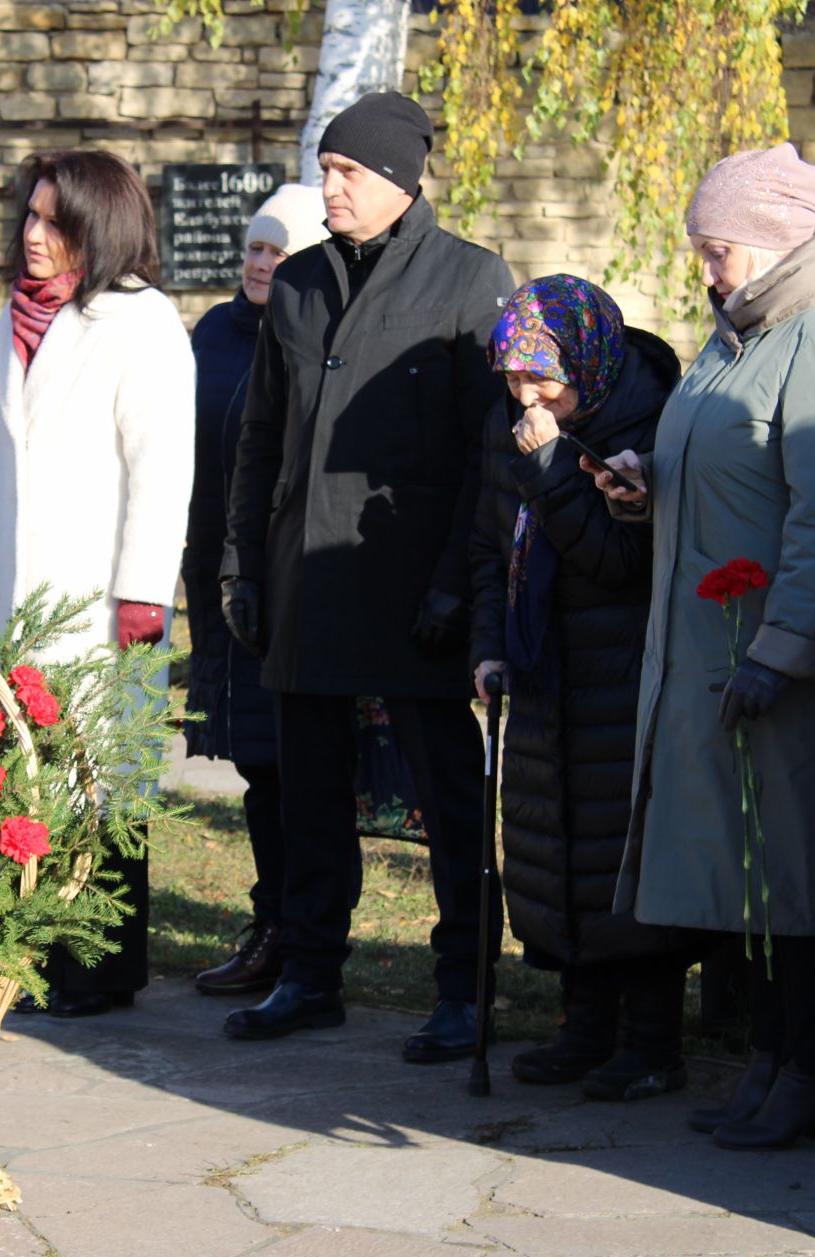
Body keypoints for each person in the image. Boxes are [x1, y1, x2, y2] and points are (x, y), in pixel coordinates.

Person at [590, 144, 815, 1148]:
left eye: (716, 247)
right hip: (730, 649)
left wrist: (785, 648)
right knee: (753, 868)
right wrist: (651, 475)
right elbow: (730, 454)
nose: (705, 269)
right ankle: (771, 1061)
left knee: (799, 873)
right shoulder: (746, 333)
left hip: (791, 664)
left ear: (772, 242)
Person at [218, 92, 516, 1058]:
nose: (327, 187)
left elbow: (490, 453)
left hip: (413, 586)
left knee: (449, 800)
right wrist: (243, 565)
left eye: (346, 172)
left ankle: (463, 986)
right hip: (305, 576)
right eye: (325, 168)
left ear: (396, 178)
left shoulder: (471, 281)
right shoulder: (298, 285)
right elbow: (259, 436)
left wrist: (457, 584)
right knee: (309, 796)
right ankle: (309, 973)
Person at [0, 149, 194, 1017]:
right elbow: (0, 460)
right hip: (19, 584)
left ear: (97, 228)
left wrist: (142, 592)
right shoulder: (13, 318)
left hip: (101, 593)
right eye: (27, 216)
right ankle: (26, 954)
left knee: (102, 781)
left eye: (53, 221)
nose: (32, 235)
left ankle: (99, 968)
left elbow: (162, 467)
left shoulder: (143, 322)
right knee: (25, 776)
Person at [468, 275, 688, 1099]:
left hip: (621, 669)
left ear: (586, 361)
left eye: (542, 378)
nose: (527, 395)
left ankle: (651, 1041)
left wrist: (555, 469)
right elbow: (490, 546)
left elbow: (621, 560)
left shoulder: (644, 421)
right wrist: (489, 646)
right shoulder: (515, 428)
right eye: (513, 377)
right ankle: (584, 1025)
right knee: (555, 846)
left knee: (619, 853)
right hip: (543, 664)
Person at [183, 182, 326, 997]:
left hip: (282, 582)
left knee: (289, 768)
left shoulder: (308, 339)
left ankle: (293, 933)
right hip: (216, 577)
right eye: (256, 247)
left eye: (280, 251)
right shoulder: (212, 333)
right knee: (253, 766)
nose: (261, 262)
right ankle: (272, 921)